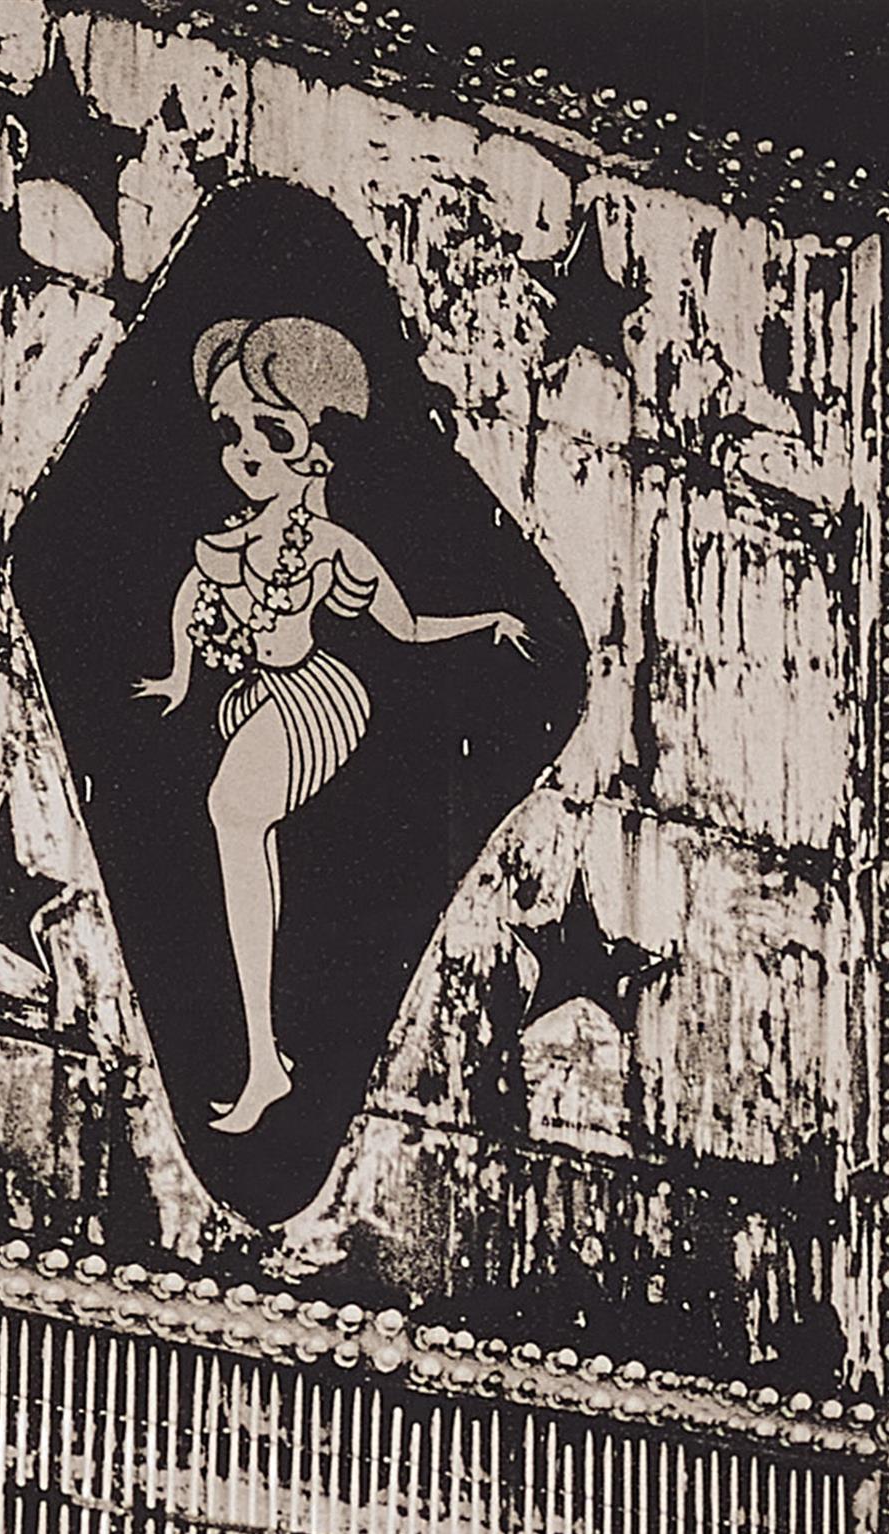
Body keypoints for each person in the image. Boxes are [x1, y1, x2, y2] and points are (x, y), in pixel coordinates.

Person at [139, 315, 536, 1135]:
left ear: (315, 448)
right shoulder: (228, 543)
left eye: (271, 432)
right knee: (246, 833)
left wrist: (488, 620)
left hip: (322, 699)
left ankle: (261, 1058)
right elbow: (189, 600)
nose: (245, 451)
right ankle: (264, 1055)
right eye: (231, 430)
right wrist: (179, 671)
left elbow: (407, 627)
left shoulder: (332, 548)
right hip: (263, 698)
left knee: (234, 816)